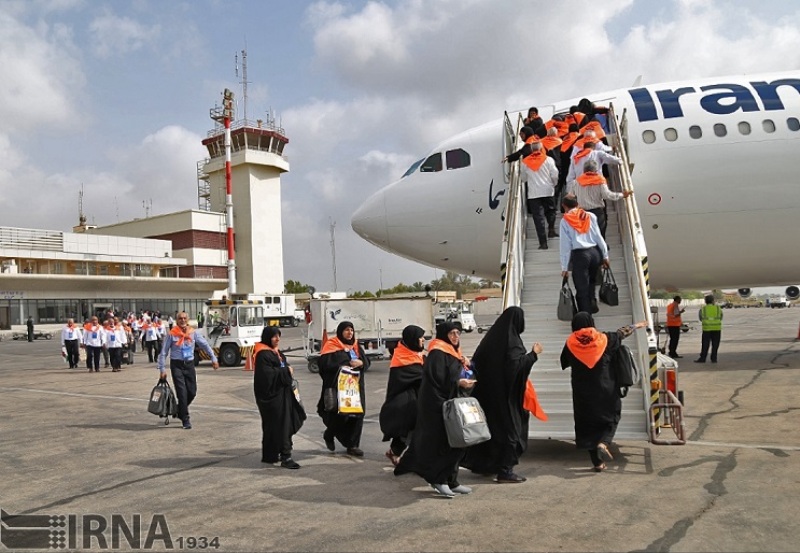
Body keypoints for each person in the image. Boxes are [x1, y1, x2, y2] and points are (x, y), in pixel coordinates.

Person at [461, 307, 543, 483]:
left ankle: (487, 465)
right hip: (506, 398)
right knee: (512, 432)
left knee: (492, 431)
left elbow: (477, 363)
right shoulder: (512, 342)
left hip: (487, 397)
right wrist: (533, 355)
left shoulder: (490, 340)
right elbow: (515, 369)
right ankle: (505, 471)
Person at [394, 322, 476, 498]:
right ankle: (438, 480)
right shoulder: (438, 352)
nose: (456, 337)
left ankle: (452, 481)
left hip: (452, 405)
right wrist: (457, 382)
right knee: (442, 445)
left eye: (458, 333)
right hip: (437, 406)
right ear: (444, 335)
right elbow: (437, 380)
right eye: (452, 333)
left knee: (458, 443)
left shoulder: (453, 352)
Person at [560, 312, 646, 471]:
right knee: (612, 416)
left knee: (587, 425)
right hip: (605, 388)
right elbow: (621, 333)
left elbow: (564, 362)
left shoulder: (570, 343)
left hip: (582, 392)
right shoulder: (605, 339)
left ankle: (598, 463)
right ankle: (604, 443)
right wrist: (636, 326)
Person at [253, 326, 306, 469]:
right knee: (281, 424)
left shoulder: (276, 352)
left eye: (279, 336)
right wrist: (285, 371)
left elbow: (282, 366)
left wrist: (286, 370)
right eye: (274, 336)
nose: (277, 339)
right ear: (267, 338)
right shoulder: (263, 354)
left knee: (278, 424)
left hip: (283, 394)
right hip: (271, 397)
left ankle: (270, 454)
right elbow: (266, 376)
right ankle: (286, 456)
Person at [316, 321, 370, 456]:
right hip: (339, 387)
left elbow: (367, 362)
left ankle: (353, 445)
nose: (349, 333)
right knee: (341, 415)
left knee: (357, 415)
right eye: (346, 330)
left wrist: (361, 363)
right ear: (340, 332)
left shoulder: (356, 346)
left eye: (351, 330)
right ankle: (329, 434)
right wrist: (345, 363)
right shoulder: (331, 345)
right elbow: (324, 364)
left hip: (355, 387)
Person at [158, 311, 219, 429]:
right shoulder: (172, 334)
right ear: (177, 321)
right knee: (182, 393)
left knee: (192, 392)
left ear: (188, 319)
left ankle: (180, 409)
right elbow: (164, 352)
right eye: (180, 318)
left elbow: (205, 345)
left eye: (184, 318)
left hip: (189, 365)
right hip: (177, 365)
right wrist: (162, 369)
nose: (182, 320)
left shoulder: (193, 333)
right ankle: (185, 418)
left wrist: (213, 358)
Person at [379, 325, 426, 466]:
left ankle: (395, 452)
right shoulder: (402, 358)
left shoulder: (414, 353)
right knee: (412, 428)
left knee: (409, 430)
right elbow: (420, 375)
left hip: (414, 400)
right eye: (420, 337)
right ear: (413, 339)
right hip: (404, 403)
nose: (423, 340)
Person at [560, 195, 609, 314]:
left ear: (564, 206)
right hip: (595, 253)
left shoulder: (565, 220)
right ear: (577, 204)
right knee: (592, 281)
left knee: (581, 289)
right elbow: (599, 237)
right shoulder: (590, 216)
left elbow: (565, 246)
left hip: (580, 255)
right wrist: (605, 256)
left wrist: (564, 267)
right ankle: (592, 301)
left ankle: (586, 318)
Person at [569, 159, 632, 238]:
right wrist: (622, 195)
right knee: (599, 235)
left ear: (584, 170)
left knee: (585, 236)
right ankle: (601, 248)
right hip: (597, 213)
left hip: (582, 213)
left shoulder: (575, 182)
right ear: (596, 170)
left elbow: (570, 197)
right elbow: (607, 195)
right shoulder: (600, 180)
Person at [520, 140, 559, 249]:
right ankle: (551, 230)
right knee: (551, 211)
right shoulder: (549, 160)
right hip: (548, 190)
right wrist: (554, 184)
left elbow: (523, 178)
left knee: (538, 218)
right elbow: (554, 174)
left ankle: (543, 243)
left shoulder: (525, 162)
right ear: (541, 149)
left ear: (532, 150)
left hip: (534, 193)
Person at [695, 295, 723, 363]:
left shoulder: (703, 309)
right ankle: (714, 358)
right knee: (715, 344)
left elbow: (701, 318)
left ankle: (703, 358)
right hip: (717, 329)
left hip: (706, 329)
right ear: (713, 301)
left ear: (705, 301)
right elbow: (721, 317)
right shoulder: (718, 308)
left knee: (705, 344)